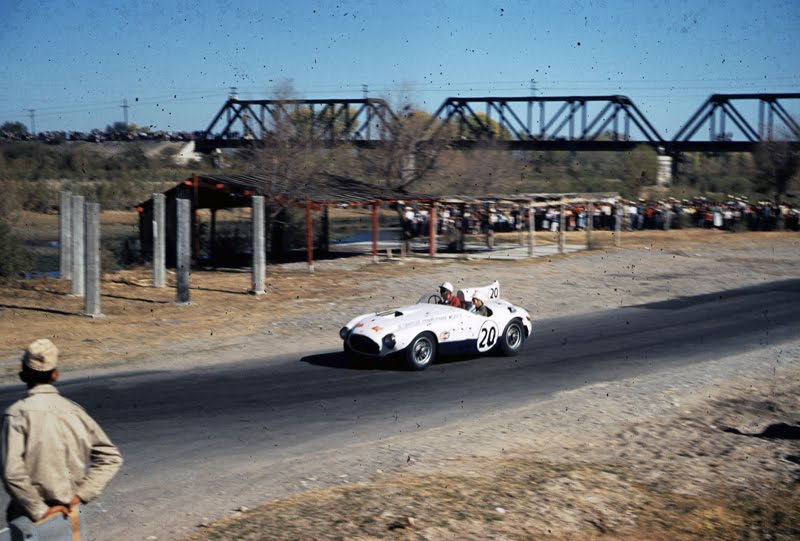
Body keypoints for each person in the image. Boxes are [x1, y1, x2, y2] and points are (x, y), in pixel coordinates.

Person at [2, 339, 123, 524]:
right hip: (69, 512)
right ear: (55, 375)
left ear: (22, 375)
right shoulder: (75, 412)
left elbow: (12, 473)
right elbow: (111, 458)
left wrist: (41, 511)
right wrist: (81, 495)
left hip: (29, 516)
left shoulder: (17, 414)